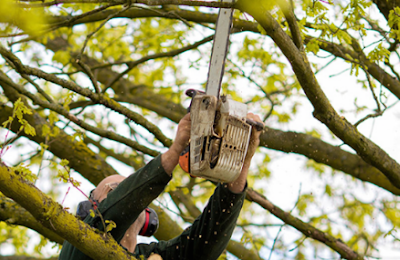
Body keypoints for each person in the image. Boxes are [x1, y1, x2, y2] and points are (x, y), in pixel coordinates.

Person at [59, 113, 263, 260]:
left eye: (124, 188)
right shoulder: (78, 240)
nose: (124, 193)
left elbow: (201, 247)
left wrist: (239, 165)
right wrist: (174, 152)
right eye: (114, 190)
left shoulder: (146, 256)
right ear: (92, 208)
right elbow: (119, 208)